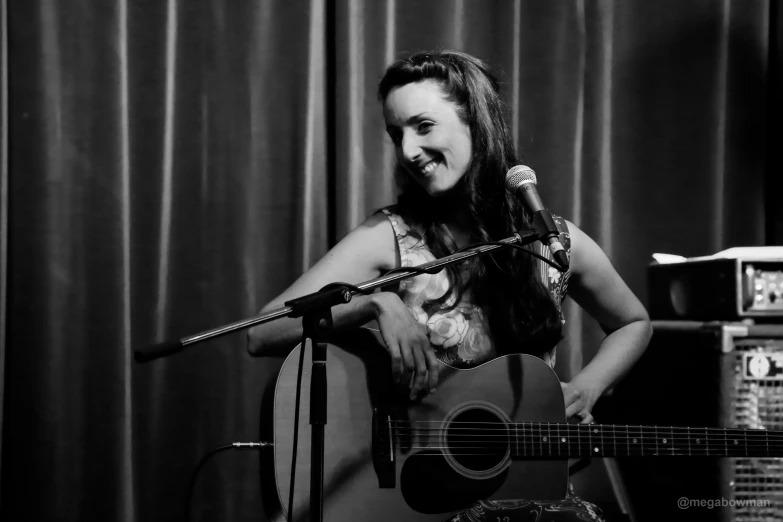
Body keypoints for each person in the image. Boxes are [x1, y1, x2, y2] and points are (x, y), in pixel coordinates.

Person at [248, 49, 652, 522]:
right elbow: (261, 333)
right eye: (395, 134)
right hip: (421, 498)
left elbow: (633, 321)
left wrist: (587, 386)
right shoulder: (391, 236)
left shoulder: (554, 242)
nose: (407, 151)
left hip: (522, 488)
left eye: (423, 126)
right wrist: (372, 305)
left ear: (476, 122)